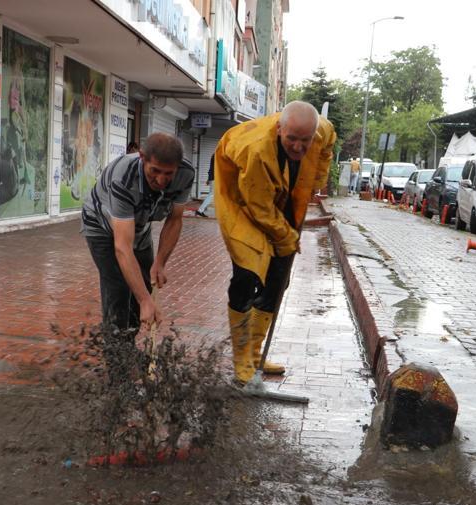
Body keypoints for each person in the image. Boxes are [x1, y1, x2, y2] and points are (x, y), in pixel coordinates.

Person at [214, 101, 336, 384]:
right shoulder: (256, 150)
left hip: (280, 196)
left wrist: (317, 176)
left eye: (304, 141)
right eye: (291, 138)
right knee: (247, 273)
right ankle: (241, 358)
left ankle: (256, 354)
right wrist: (289, 237)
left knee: (278, 278)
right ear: (280, 128)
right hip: (241, 198)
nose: (297, 146)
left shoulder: (323, 130)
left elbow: (327, 147)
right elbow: (260, 209)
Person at [81, 133, 195, 330]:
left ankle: (129, 345)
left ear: (178, 166)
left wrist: (160, 262)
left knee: (144, 284)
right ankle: (114, 351)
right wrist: (145, 301)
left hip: (139, 226)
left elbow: (174, 219)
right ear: (142, 158)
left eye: (168, 174)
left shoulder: (186, 173)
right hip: (101, 227)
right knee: (118, 287)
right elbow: (123, 247)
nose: (161, 180)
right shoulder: (124, 178)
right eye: (155, 171)